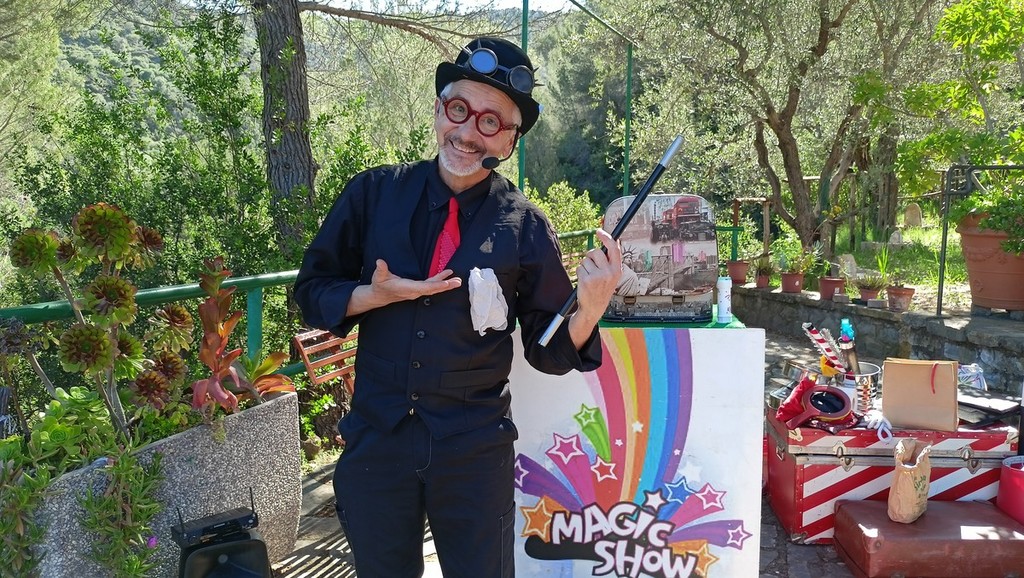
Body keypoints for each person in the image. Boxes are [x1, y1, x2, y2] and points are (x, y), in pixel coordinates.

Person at [293, 36, 622, 578]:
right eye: (459, 109)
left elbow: (547, 350)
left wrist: (589, 308)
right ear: (438, 109)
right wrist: (372, 296)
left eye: (491, 122)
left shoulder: (525, 225)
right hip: (377, 443)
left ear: (510, 140)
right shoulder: (372, 194)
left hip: (474, 452)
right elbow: (310, 292)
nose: (468, 132)